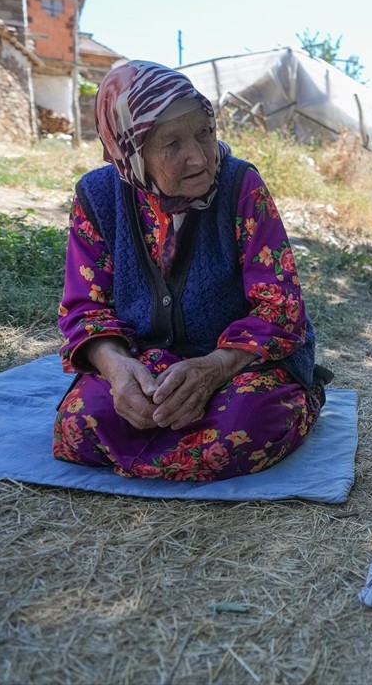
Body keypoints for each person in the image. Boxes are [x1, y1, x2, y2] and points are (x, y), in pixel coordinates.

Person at [52, 60, 327, 481]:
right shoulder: (98, 196)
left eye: (204, 132)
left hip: (239, 363)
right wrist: (117, 369)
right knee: (80, 426)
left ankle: (293, 400)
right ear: (130, 150)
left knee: (245, 425)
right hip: (146, 365)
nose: (199, 157)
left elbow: (281, 309)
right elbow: (84, 307)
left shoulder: (241, 186)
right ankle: (155, 434)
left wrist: (213, 367)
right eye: (171, 143)